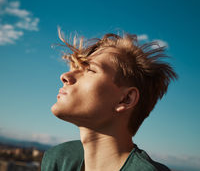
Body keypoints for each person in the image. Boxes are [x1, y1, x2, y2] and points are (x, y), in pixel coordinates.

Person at [41, 30, 177, 171]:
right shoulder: (59, 159)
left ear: (126, 99)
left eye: (90, 70)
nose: (65, 76)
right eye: (75, 68)